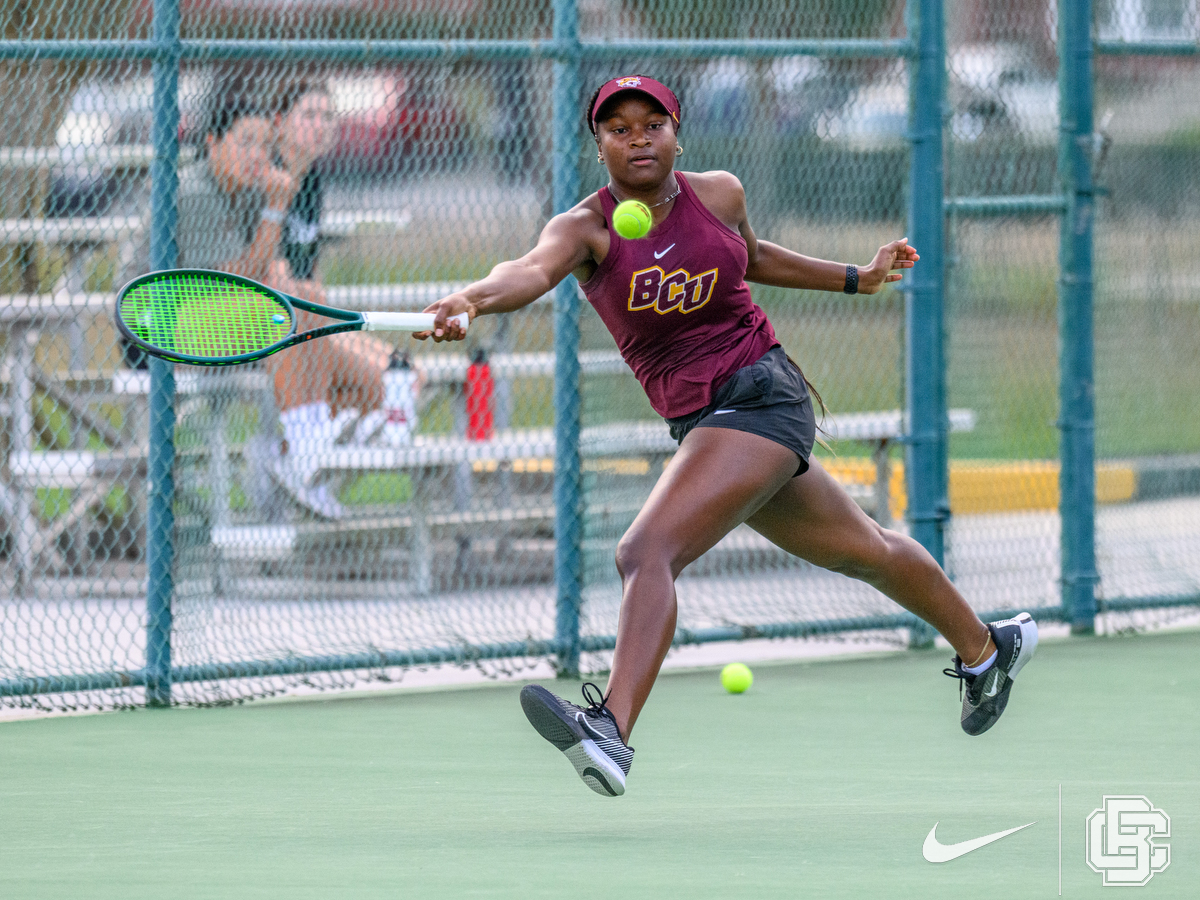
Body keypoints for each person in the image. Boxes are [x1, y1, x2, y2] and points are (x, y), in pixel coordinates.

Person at [418, 75, 1039, 798]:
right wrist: (469, 299)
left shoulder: (718, 193)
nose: (638, 137)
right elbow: (524, 272)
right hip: (709, 421)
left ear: (677, 133)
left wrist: (856, 279)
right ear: (599, 146)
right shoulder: (583, 229)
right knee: (864, 551)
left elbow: (755, 258)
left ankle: (611, 732)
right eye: (619, 128)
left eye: (653, 123)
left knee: (645, 550)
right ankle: (988, 649)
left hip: (760, 394)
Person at [175, 72, 395, 518]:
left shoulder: (252, 188)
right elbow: (239, 279)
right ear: (214, 143)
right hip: (164, 328)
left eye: (261, 145)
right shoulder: (197, 191)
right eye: (245, 143)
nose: (257, 156)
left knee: (370, 364)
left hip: (238, 319)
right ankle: (304, 447)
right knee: (292, 310)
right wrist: (276, 207)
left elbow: (272, 278)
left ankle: (301, 449)